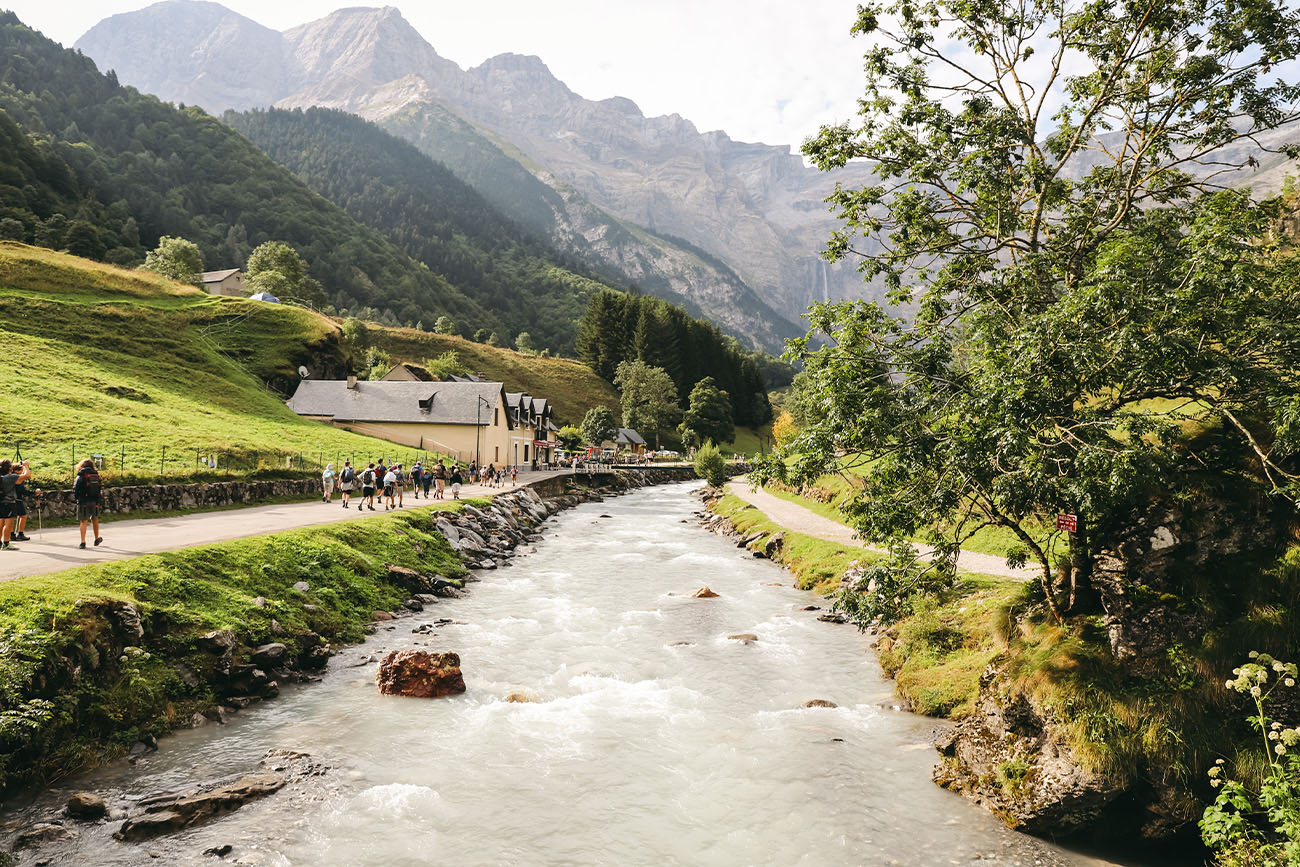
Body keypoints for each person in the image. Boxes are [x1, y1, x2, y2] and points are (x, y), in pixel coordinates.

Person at [0, 459, 31, 550]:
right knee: (8, 524)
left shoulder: (1, 477)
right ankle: (6, 543)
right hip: (9, 502)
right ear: (9, 468)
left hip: (1, 502)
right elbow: (27, 475)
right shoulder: (11, 477)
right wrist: (26, 466)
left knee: (1, 523)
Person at [72, 458, 103, 549]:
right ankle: (97, 538)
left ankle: (83, 542)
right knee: (95, 519)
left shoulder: (81, 476)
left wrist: (78, 498)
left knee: (83, 521)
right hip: (94, 501)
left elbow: (75, 489)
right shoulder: (96, 475)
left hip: (83, 501)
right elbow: (100, 488)